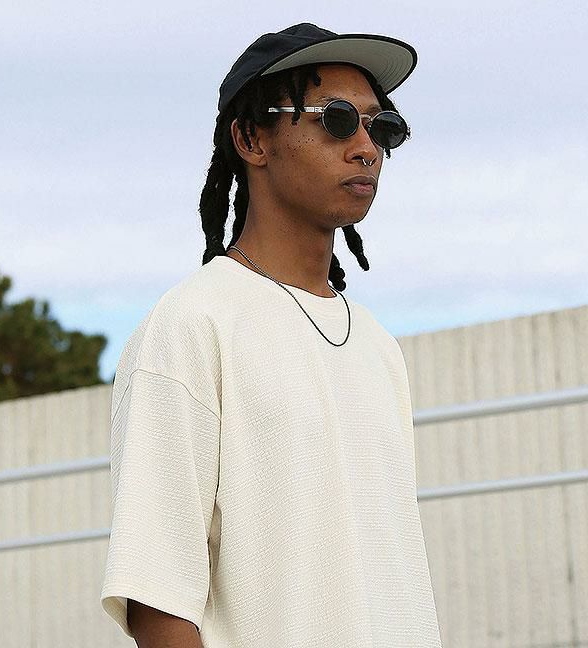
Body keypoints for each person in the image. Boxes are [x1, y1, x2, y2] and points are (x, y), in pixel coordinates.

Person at [100, 21, 443, 648]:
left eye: (382, 127)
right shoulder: (192, 325)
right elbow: (158, 597)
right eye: (337, 120)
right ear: (252, 138)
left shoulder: (378, 347)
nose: (366, 148)